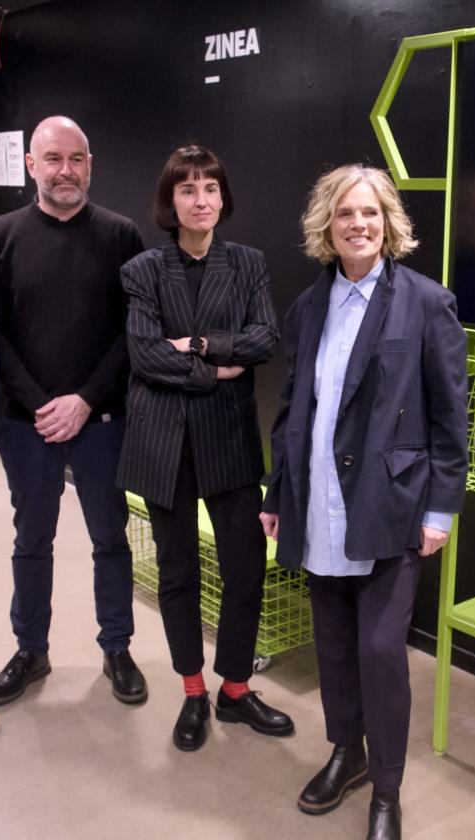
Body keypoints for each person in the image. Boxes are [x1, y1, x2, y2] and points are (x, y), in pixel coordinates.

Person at [261, 165, 468, 840]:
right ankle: (344, 751)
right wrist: (278, 493)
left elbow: (449, 420)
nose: (359, 224)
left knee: (381, 653)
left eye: (371, 213)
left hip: (390, 506)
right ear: (327, 224)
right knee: (334, 649)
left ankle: (387, 788)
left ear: (389, 223)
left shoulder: (426, 303)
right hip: (318, 503)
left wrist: (440, 509)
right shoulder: (309, 305)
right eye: (346, 213)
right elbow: (294, 408)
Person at [117, 144, 294, 751]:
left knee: (245, 568)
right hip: (165, 443)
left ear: (223, 197)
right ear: (171, 201)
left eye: (211, 189)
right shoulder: (142, 270)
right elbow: (143, 354)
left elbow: (265, 338)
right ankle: (193, 691)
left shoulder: (247, 263)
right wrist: (217, 365)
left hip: (229, 442)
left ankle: (236, 689)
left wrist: (190, 345)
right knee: (177, 573)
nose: (201, 200)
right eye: (188, 190)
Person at [0, 117, 148, 707]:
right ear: (32, 165)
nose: (66, 171)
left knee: (111, 539)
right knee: (31, 540)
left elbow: (134, 332)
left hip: (102, 421)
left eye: (76, 159)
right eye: (53, 159)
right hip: (28, 425)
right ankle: (31, 650)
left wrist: (85, 400)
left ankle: (117, 648)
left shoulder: (122, 236)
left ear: (90, 164)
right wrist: (39, 404)